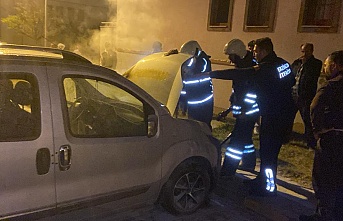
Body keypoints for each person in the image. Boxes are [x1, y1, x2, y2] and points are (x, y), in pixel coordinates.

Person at [196, 37, 295, 196]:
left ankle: (268, 188)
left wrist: (210, 74)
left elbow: (241, 74)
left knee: (268, 156)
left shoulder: (265, 68)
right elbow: (290, 82)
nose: (254, 55)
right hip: (281, 114)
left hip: (273, 117)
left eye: (256, 51)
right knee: (267, 153)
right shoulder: (283, 64)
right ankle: (262, 180)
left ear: (263, 51)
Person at [299, 51, 343, 221]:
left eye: (326, 65)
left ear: (334, 66)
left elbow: (314, 107)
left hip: (331, 140)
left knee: (324, 179)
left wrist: (318, 129)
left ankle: (322, 215)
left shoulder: (330, 86)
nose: (324, 69)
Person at [218, 39, 259, 176]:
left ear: (238, 54)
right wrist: (232, 104)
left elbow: (252, 94)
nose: (229, 59)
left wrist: (244, 111)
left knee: (235, 144)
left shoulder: (251, 68)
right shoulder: (242, 65)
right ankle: (249, 162)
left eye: (231, 56)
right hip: (244, 111)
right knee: (246, 139)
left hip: (248, 112)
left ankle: (228, 171)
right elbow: (238, 90)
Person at [291, 43, 322, 148]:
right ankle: (287, 137)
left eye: (307, 51)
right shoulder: (297, 62)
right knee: (289, 117)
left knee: (307, 119)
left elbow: (312, 77)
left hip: (305, 96)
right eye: (303, 51)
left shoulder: (316, 63)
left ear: (312, 51)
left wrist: (305, 65)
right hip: (294, 94)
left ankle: (310, 142)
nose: (304, 54)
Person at [180, 40, 213, 130]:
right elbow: (185, 84)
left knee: (203, 125)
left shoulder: (203, 61)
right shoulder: (193, 61)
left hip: (203, 101)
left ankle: (206, 142)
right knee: (193, 125)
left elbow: (193, 76)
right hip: (193, 100)